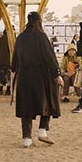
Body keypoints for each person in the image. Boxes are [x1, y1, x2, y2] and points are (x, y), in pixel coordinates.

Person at [12, 11, 62, 147]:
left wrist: (14, 69)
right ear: (39, 21)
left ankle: (26, 138)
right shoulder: (41, 37)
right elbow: (49, 57)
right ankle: (42, 131)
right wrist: (57, 74)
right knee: (49, 100)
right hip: (40, 77)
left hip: (24, 76)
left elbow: (15, 57)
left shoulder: (21, 37)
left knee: (26, 107)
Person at [0, 30, 12, 94]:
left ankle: (1, 89)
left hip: (1, 62)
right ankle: (8, 90)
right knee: (9, 76)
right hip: (8, 62)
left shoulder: (1, 39)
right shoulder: (11, 39)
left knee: (1, 75)